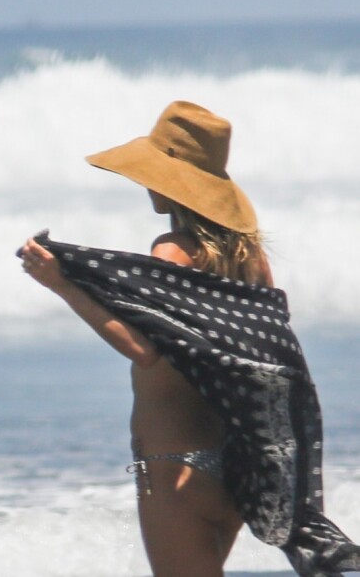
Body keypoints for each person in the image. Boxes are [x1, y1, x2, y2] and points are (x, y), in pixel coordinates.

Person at [19, 101, 360, 576]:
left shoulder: (172, 249)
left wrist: (62, 284)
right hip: (233, 472)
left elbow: (145, 349)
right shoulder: (252, 259)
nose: (144, 183)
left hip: (176, 468)